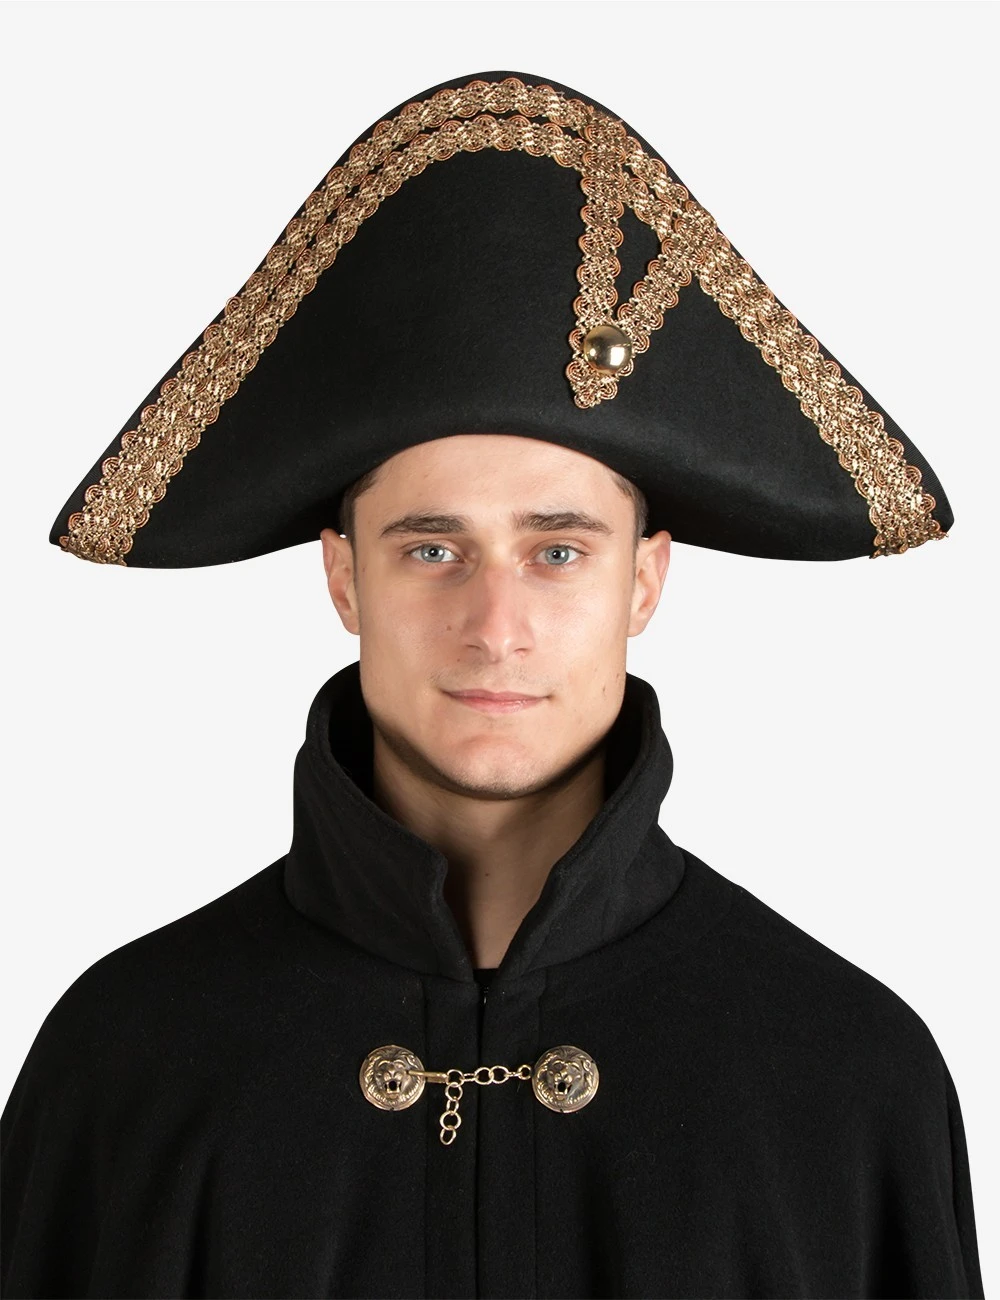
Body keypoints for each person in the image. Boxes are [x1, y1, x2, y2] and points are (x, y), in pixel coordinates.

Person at [2, 69, 983, 1298]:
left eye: (557, 551)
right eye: (432, 550)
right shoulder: (126, 1063)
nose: (494, 627)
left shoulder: (846, 1078)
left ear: (643, 581)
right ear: (344, 577)